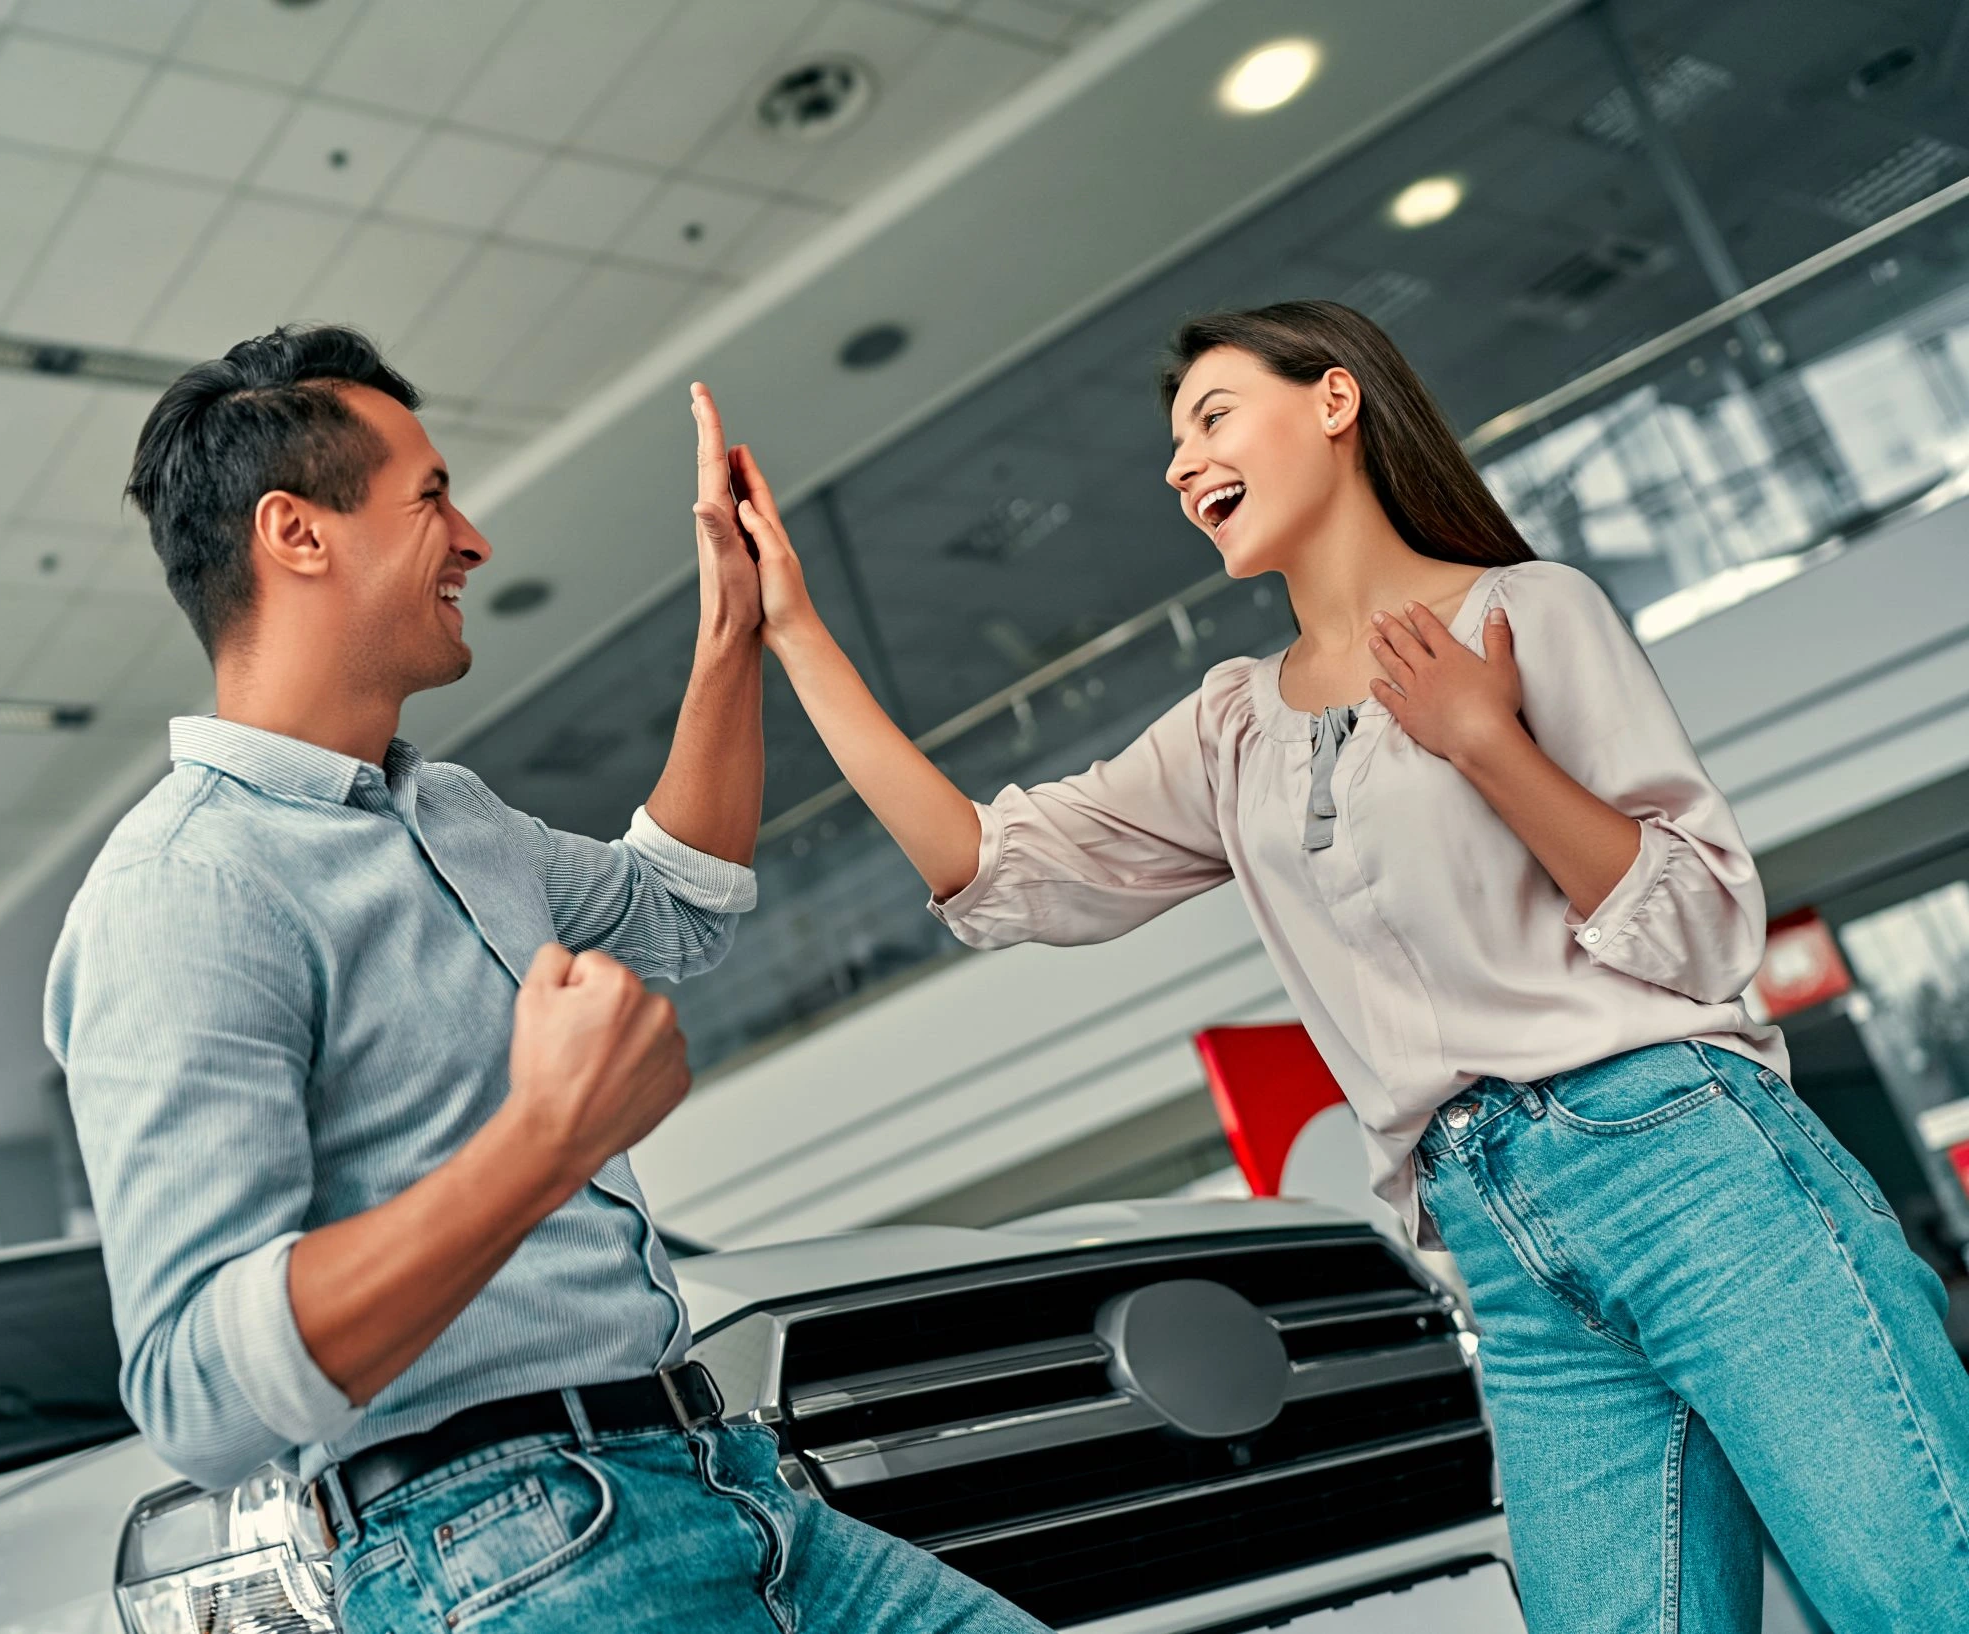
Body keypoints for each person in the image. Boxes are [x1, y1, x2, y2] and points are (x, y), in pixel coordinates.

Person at [722, 300, 1969, 1633]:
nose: (1178, 464)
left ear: (1333, 401)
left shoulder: (1525, 612)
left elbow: (1709, 925)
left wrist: (1488, 743)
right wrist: (791, 629)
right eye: (1173, 442)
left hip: (1687, 1162)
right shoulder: (1230, 730)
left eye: (1211, 416)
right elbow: (993, 863)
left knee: (1919, 1592)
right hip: (1494, 1241)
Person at [46, 324, 1047, 1634]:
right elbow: (199, 1393)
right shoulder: (184, 889)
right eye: (432, 498)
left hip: (721, 1484)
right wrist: (546, 1138)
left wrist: (733, 624)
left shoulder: (448, 811)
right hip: (498, 1553)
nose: (474, 539)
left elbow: (676, 899)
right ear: (297, 534)